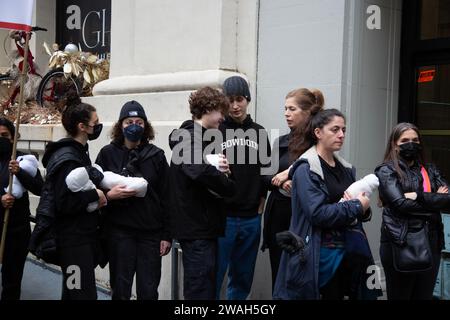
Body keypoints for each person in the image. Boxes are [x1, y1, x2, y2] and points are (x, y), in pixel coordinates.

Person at [273, 109, 380, 300]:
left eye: (344, 130)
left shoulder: (346, 169)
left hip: (348, 252)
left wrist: (363, 209)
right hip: (318, 255)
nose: (341, 135)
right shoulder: (306, 169)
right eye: (335, 129)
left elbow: (352, 209)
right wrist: (356, 206)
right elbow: (318, 214)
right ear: (318, 133)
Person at [95, 100, 171, 300]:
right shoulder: (107, 154)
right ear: (121, 125)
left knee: (148, 290)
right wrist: (111, 197)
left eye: (139, 121)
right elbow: (95, 190)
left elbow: (167, 196)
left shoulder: (157, 156)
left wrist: (167, 235)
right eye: (129, 121)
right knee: (120, 289)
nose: (134, 126)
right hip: (120, 233)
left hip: (151, 235)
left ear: (146, 126)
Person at [168, 86, 235, 300]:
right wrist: (226, 184)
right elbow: (196, 169)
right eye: (220, 112)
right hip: (196, 227)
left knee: (204, 286)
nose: (223, 118)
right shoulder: (188, 137)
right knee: (199, 290)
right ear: (208, 108)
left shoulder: (202, 138)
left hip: (203, 226)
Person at [40, 93, 106, 300]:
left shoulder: (77, 152)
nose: (98, 126)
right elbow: (64, 202)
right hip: (73, 241)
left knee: (73, 290)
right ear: (82, 126)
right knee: (79, 292)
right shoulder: (69, 158)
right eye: (95, 122)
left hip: (79, 238)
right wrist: (95, 195)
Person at [375, 122, 450, 300]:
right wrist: (433, 201)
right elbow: (400, 203)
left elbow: (447, 198)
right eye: (405, 140)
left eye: (415, 140)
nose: (411, 144)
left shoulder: (430, 170)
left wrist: (417, 195)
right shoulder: (386, 171)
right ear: (394, 144)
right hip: (401, 242)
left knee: (423, 296)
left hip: (432, 241)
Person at [261, 88, 324, 290]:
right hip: (278, 216)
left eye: (292, 109)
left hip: (303, 219)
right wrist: (279, 181)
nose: (286, 113)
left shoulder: (317, 144)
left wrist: (293, 176)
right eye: (285, 109)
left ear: (307, 112)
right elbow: (264, 176)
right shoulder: (281, 142)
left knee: (301, 275)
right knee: (278, 274)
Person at [215, 75, 270, 300]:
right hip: (223, 217)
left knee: (242, 278)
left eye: (239, 99)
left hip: (251, 218)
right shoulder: (215, 131)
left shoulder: (259, 132)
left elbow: (266, 169)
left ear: (247, 100)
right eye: (230, 100)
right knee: (215, 276)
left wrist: (263, 199)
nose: (235, 106)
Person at [0, 118, 43, 300]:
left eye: (4, 135)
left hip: (17, 231)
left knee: (12, 280)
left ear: (13, 137)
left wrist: (20, 173)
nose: (1, 139)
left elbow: (40, 189)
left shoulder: (24, 160)